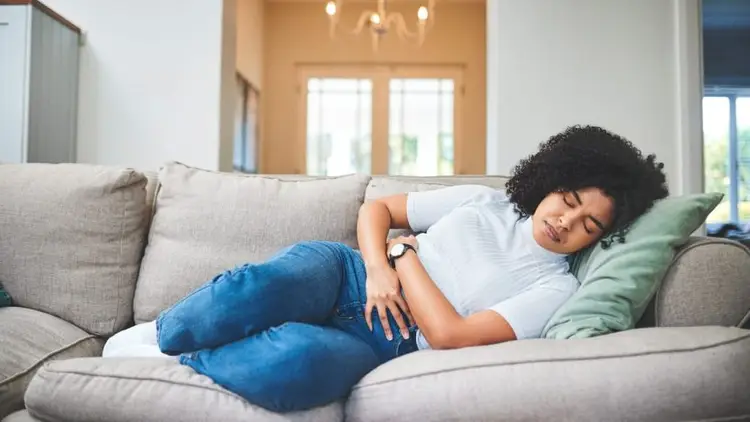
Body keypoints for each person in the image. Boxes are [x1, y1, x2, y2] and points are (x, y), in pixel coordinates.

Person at [104, 125, 669, 413]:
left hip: (390, 341)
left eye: (590, 226)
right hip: (349, 273)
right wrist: (380, 264)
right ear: (553, 182)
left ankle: (190, 359)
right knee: (266, 285)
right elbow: (378, 209)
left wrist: (404, 255)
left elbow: (450, 334)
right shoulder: (486, 202)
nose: (567, 223)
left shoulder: (555, 287)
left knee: (297, 366)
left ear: (601, 238)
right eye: (568, 199)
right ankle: (162, 336)